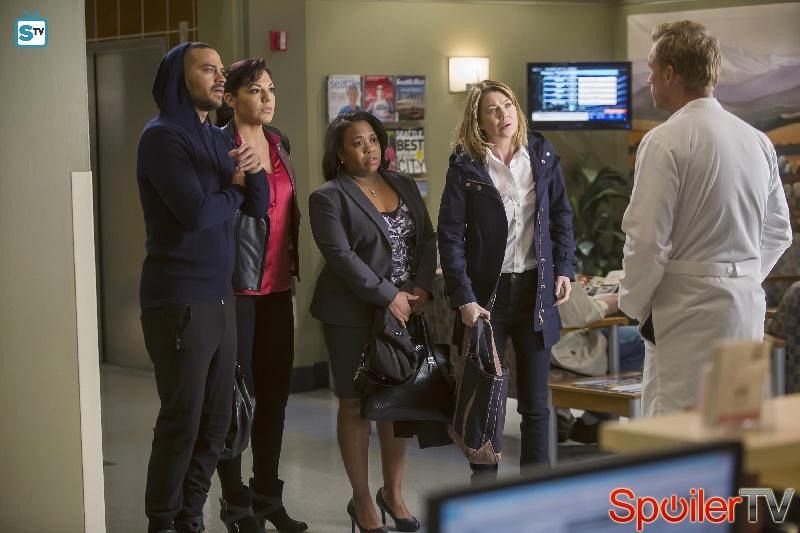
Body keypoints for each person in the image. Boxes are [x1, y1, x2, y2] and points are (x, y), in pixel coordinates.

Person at [619, 21, 793, 416]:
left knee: (679, 432)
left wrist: (633, 303)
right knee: (734, 422)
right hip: (744, 305)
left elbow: (648, 240)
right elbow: (779, 231)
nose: (649, 79)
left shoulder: (664, 141)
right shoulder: (758, 141)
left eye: (652, 69)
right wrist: (740, 275)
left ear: (670, 73)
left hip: (685, 310)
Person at [136, 43, 268, 533]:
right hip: (177, 299)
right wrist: (234, 187)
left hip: (219, 297)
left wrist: (253, 168)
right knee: (182, 421)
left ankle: (191, 517)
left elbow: (256, 207)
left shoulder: (216, 137)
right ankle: (162, 521)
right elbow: (195, 213)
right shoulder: (161, 137)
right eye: (207, 69)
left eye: (221, 70)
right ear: (179, 76)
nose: (219, 78)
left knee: (216, 423)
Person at [437, 80, 575, 478]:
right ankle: (484, 495)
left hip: (535, 292)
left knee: (536, 405)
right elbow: (450, 236)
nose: (504, 115)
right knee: (487, 403)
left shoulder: (541, 154)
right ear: (478, 121)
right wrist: (464, 297)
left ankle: (536, 492)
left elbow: (562, 216)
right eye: (493, 110)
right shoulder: (466, 166)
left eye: (508, 105)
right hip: (488, 298)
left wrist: (564, 268)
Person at [309, 111, 436, 533]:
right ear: (340, 154)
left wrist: (421, 287)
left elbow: (427, 237)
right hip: (350, 315)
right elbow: (341, 257)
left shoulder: (403, 184)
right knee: (354, 404)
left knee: (395, 402)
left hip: (405, 308)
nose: (369, 149)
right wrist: (389, 295)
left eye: (373, 140)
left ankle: (393, 494)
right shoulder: (328, 197)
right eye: (357, 143)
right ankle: (362, 500)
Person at [213, 59, 306, 533]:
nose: (267, 98)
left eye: (270, 89)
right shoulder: (218, 146)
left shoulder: (279, 143)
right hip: (235, 290)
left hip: (278, 289)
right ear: (230, 99)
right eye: (255, 90)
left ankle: (267, 495)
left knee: (274, 396)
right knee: (235, 396)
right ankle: (234, 501)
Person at [554, 286, 644, 443]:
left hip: (532, 347)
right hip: (562, 347)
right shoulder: (555, 271)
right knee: (641, 337)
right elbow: (582, 314)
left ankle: (564, 416)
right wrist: (606, 304)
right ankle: (598, 417)